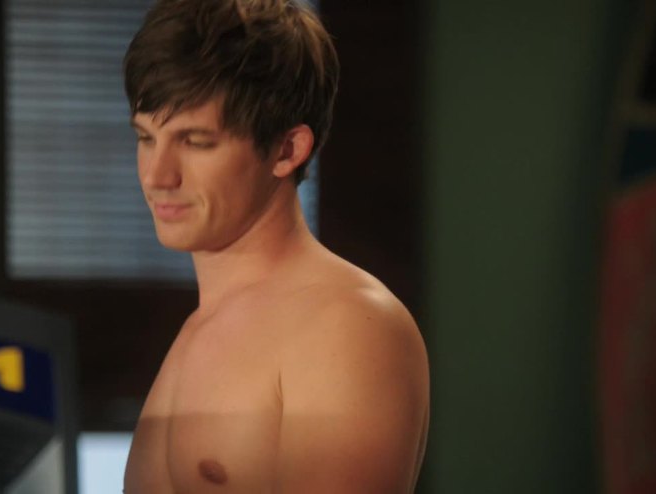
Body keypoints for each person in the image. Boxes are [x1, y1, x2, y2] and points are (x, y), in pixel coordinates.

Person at [121, 0, 429, 492]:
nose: (157, 176)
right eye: (146, 138)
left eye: (195, 142)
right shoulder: (199, 329)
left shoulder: (345, 325)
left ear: (287, 150)